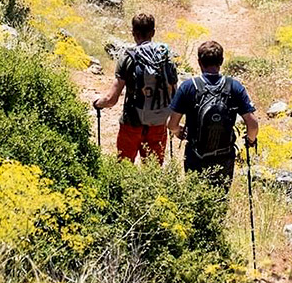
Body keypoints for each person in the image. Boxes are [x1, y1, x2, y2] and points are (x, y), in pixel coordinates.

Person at [167, 40, 258, 190]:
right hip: (224, 156)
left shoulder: (188, 87)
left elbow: (172, 124)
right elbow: (253, 124)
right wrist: (250, 141)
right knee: (220, 198)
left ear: (199, 62)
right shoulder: (234, 86)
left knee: (194, 197)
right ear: (221, 61)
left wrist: (179, 132)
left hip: (196, 155)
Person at [93, 13, 178, 164]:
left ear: (133, 33)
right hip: (158, 124)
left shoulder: (128, 57)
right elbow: (174, 96)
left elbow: (111, 99)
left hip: (131, 124)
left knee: (124, 169)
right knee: (152, 171)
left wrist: (98, 104)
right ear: (153, 32)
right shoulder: (165, 58)